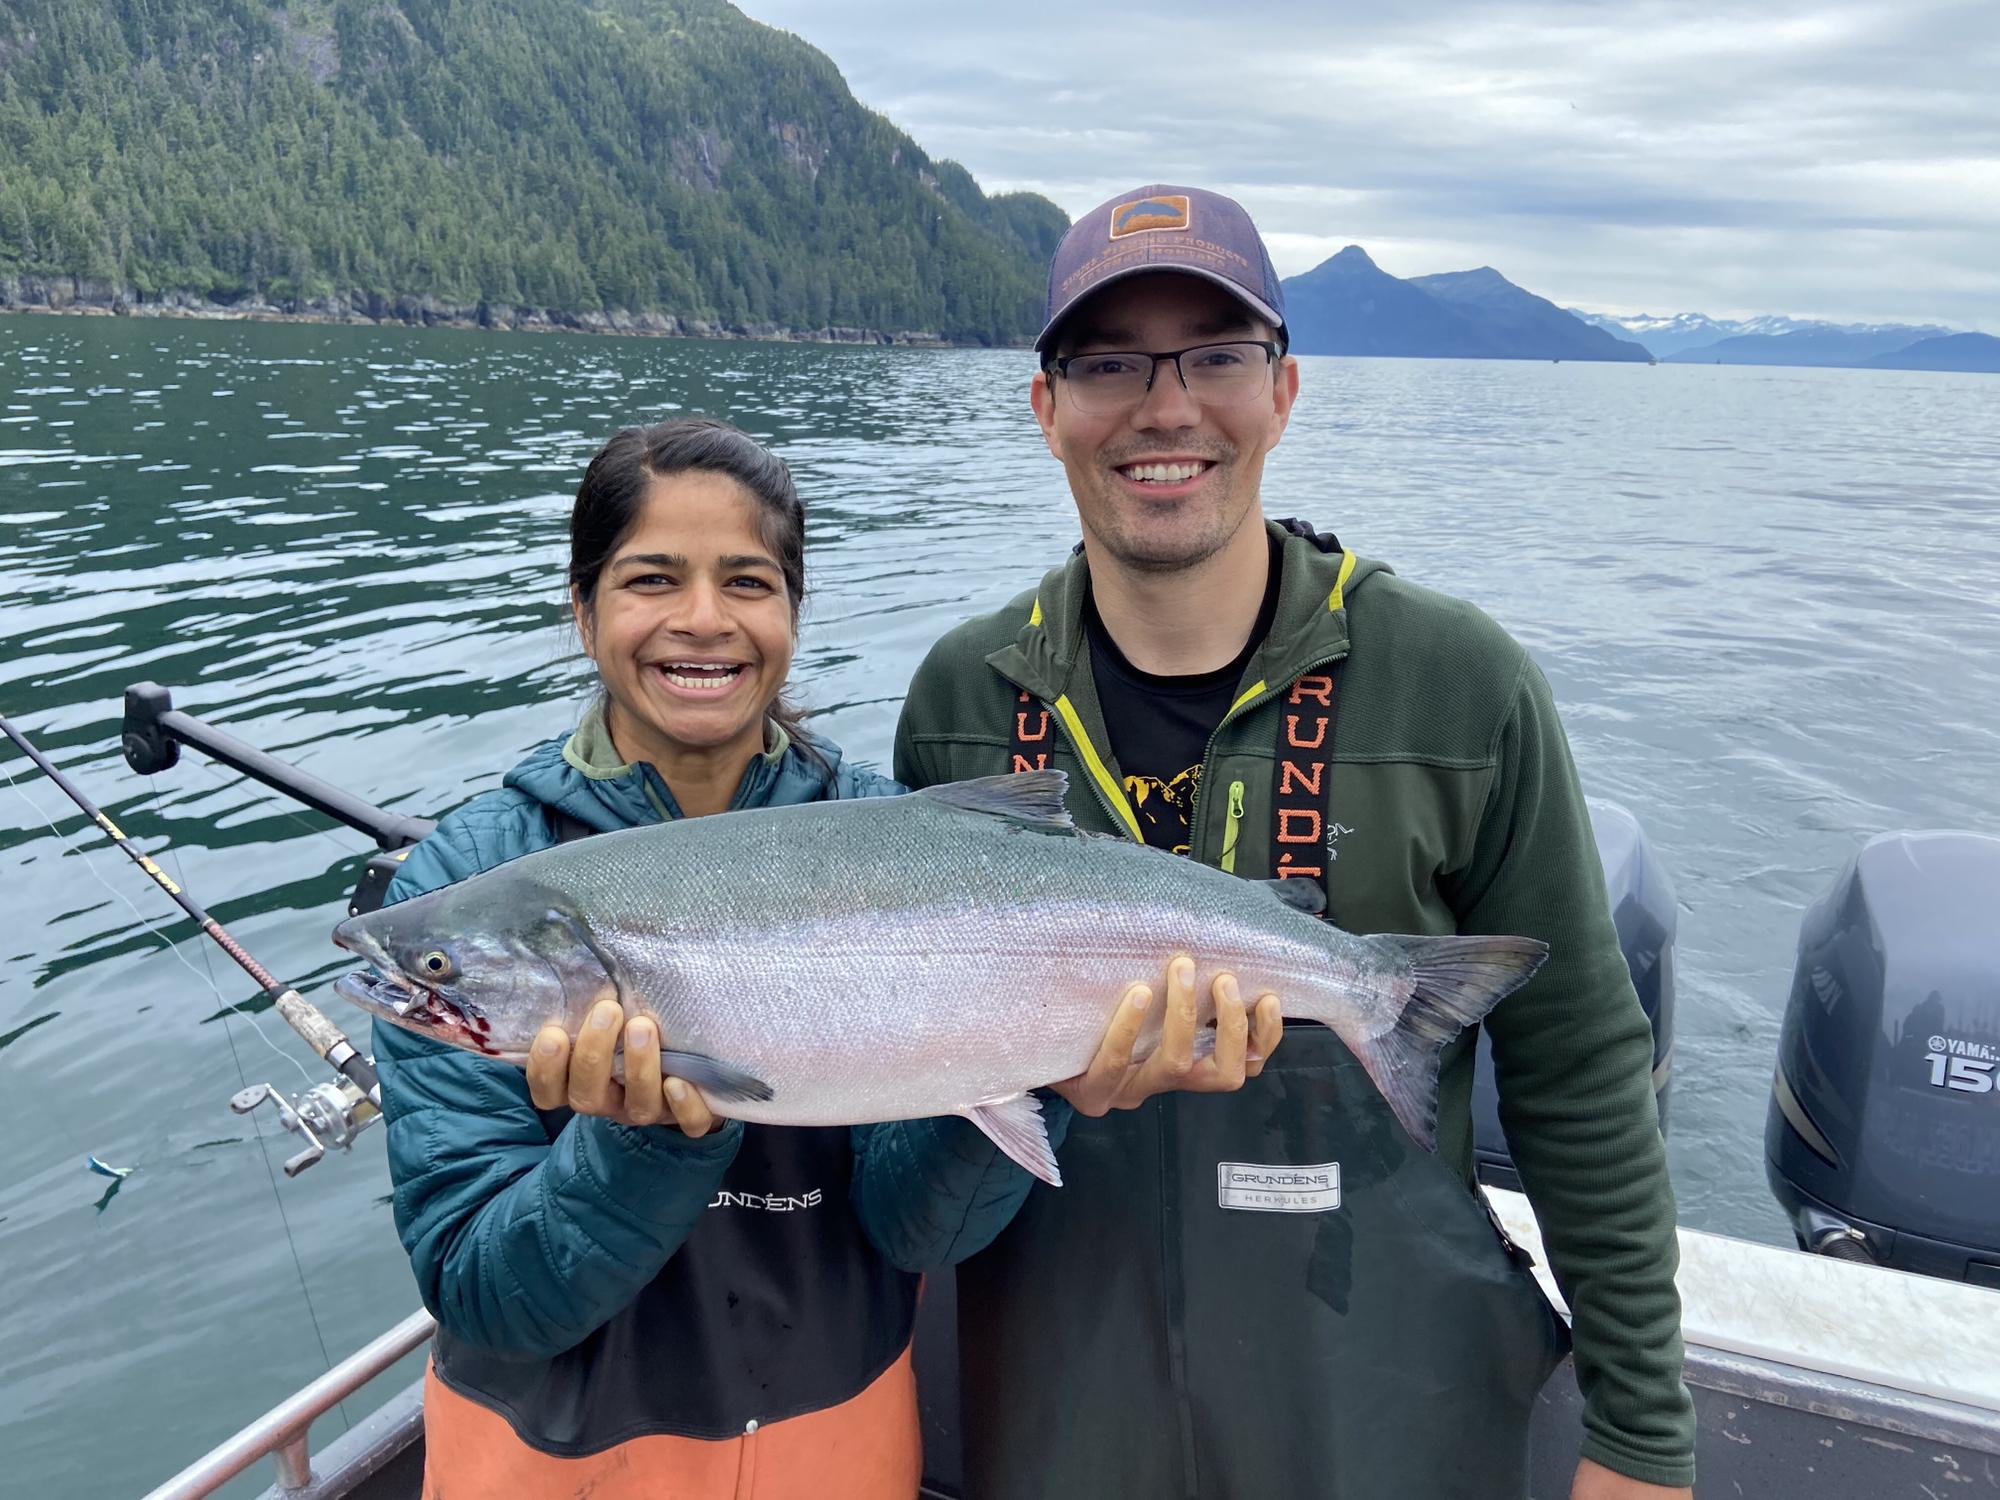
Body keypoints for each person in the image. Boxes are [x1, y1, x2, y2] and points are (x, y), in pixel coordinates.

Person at [859, 188, 1696, 1499]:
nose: (1167, 405)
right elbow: (915, 1120)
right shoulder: (963, 701)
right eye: (1110, 361)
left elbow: (1582, 1073)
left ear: (1285, 389)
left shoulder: (1459, 685)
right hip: (1059, 1416)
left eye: (1216, 354)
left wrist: (1642, 1436)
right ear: (1047, 408)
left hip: (1386, 1414)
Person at [371, 418, 929, 1500]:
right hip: (546, 1457)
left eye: (748, 582)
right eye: (651, 579)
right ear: (583, 611)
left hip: (838, 1435)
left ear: (793, 612)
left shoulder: (888, 838)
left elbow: (919, 1228)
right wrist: (643, 1143)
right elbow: (480, 1290)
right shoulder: (460, 885)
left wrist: (1036, 1075)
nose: (703, 621)